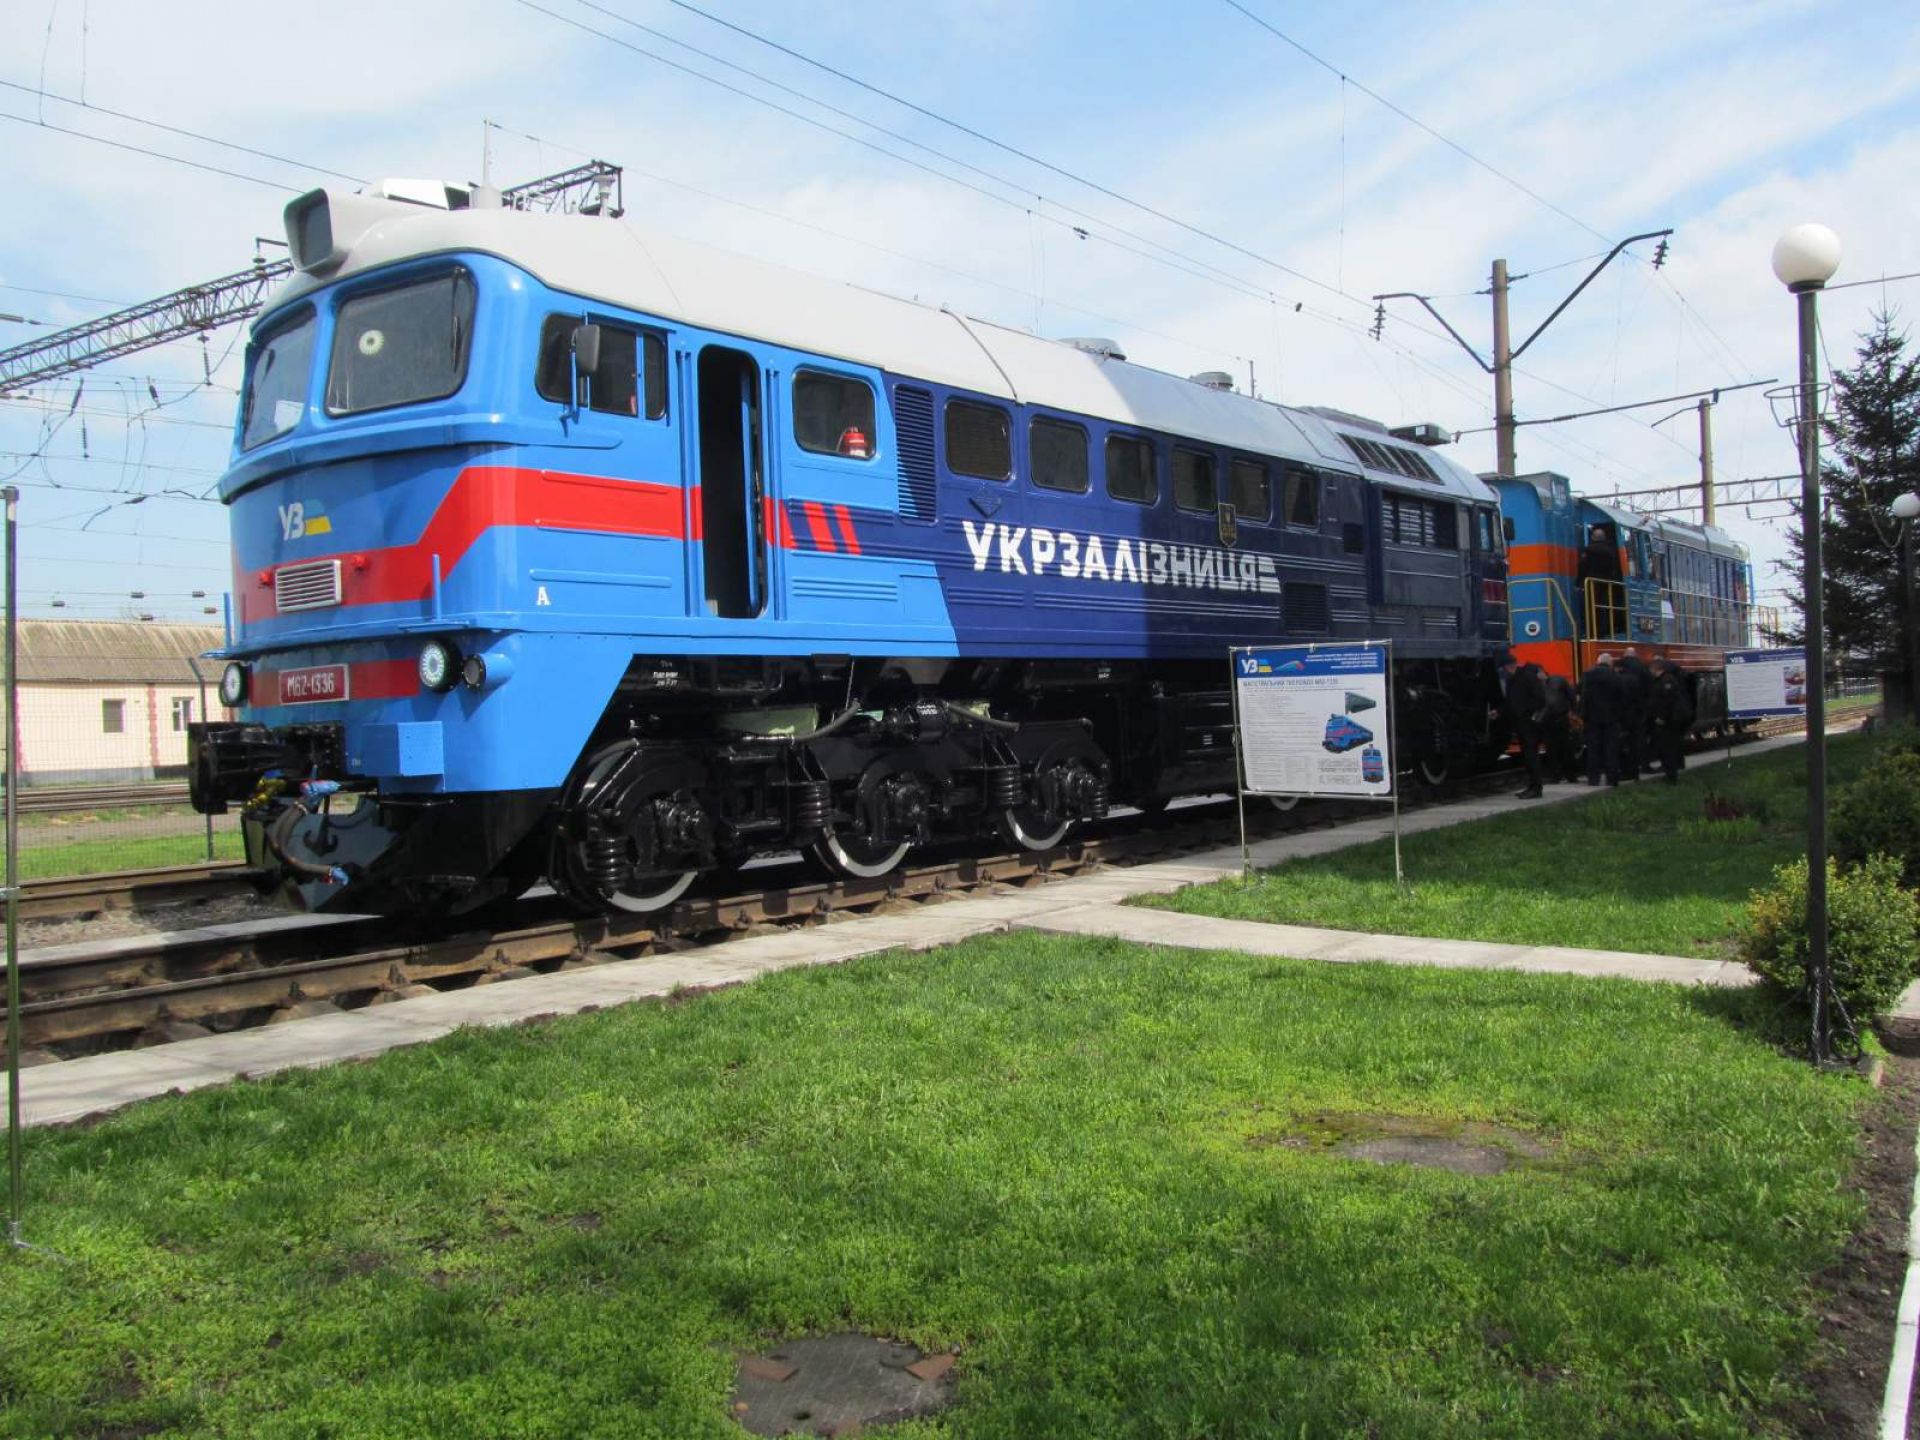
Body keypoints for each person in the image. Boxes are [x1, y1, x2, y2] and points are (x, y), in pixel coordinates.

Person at [1495, 649, 1548, 799]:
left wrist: (1526, 711)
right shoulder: (1513, 680)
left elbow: (1540, 699)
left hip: (1528, 723)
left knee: (1531, 755)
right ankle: (1531, 786)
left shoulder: (1527, 677)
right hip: (1520, 722)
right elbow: (1510, 702)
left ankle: (1536, 788)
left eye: (1504, 668)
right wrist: (1499, 712)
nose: (1504, 672)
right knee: (1527, 755)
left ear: (1509, 666)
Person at [1647, 656, 1695, 785]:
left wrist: (1662, 717)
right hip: (1670, 719)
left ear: (1656, 668)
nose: (1650, 672)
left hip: (1669, 720)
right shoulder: (1665, 680)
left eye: (1651, 669)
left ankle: (1671, 777)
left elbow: (1668, 701)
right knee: (1668, 747)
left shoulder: (1666, 681)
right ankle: (1670, 774)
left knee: (1667, 748)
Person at [1579, 652, 1624, 786]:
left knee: (1593, 749)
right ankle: (1612, 778)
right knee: (1611, 749)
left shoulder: (1587, 675)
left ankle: (1593, 779)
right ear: (1609, 663)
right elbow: (1621, 696)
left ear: (1598, 662)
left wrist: (1583, 715)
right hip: (1611, 718)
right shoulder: (1615, 676)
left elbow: (1583, 695)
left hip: (1592, 718)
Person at [1576, 524, 1625, 638]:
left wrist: (1578, 582)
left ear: (1593, 537)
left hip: (1592, 583)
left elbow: (1583, 566)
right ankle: (1605, 629)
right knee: (1605, 607)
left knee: (1590, 607)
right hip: (1608, 583)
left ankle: (1591, 631)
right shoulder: (1611, 551)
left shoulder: (1589, 550)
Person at [1615, 648, 1651, 780]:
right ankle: (1642, 766)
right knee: (1638, 741)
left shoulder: (1617, 672)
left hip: (1621, 714)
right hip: (1638, 712)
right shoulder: (1642, 668)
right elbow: (1649, 688)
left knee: (1623, 743)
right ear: (1635, 655)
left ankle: (1625, 770)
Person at [1541, 670, 1579, 782]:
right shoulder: (1558, 681)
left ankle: (1563, 774)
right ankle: (1563, 774)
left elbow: (1571, 696)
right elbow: (1571, 696)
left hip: (1557, 718)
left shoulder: (1556, 681)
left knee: (1559, 748)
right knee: (1558, 748)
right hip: (1551, 719)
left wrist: (1573, 711)